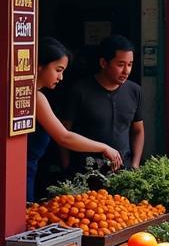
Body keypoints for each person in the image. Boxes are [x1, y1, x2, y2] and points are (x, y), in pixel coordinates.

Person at [29, 39, 122, 201]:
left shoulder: (32, 95)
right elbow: (64, 137)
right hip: (20, 172)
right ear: (39, 65)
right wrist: (104, 147)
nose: (61, 77)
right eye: (58, 70)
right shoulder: (35, 97)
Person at [64, 35, 145, 170]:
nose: (126, 71)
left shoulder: (134, 91)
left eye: (130, 64)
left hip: (123, 171)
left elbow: (138, 131)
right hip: (86, 171)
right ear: (103, 63)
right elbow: (64, 131)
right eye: (120, 64)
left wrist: (135, 164)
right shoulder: (79, 90)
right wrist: (66, 166)